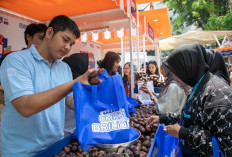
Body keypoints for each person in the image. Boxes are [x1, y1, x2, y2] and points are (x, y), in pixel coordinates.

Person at [0, 15, 97, 157]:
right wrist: (74, 83)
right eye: (65, 40)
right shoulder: (16, 61)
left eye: (71, 44)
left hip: (56, 146)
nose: (67, 48)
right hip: (22, 151)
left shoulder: (64, 67)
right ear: (50, 32)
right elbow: (25, 106)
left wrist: (91, 92)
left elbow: (69, 102)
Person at [146, 43, 232, 157]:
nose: (174, 77)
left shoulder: (217, 95)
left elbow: (226, 148)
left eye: (177, 72)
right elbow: (190, 116)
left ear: (188, 68)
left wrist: (184, 133)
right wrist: (163, 118)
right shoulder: (198, 85)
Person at [62, 53, 89, 136]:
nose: (87, 68)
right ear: (80, 65)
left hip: (74, 129)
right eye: (86, 65)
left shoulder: (81, 81)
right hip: (67, 131)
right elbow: (73, 104)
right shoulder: (71, 81)